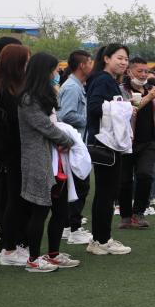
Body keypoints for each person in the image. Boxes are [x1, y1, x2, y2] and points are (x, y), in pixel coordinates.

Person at [17, 53, 78, 272]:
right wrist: (67, 141)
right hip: (38, 160)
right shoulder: (28, 99)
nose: (56, 73)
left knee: (60, 209)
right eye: (53, 69)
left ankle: (53, 253)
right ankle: (33, 258)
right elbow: (45, 126)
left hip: (55, 159)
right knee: (40, 210)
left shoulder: (45, 94)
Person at [85, 44, 133, 256]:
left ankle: (99, 238)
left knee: (105, 193)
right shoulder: (103, 79)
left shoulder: (106, 79)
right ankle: (102, 240)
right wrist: (124, 108)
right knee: (106, 193)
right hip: (105, 142)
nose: (123, 62)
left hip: (107, 141)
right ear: (106, 58)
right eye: (119, 58)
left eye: (126, 59)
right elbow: (94, 107)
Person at [0, 44, 31, 266]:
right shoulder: (4, 93)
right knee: (13, 200)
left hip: (18, 153)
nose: (28, 66)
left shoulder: (14, 90)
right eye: (26, 61)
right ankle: (8, 249)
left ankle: (15, 244)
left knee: (18, 200)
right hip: (11, 154)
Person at [55, 50, 94, 245]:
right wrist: (91, 119)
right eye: (90, 62)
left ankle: (68, 225)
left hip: (75, 143)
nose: (92, 66)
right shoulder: (72, 87)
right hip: (73, 144)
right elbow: (66, 115)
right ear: (82, 65)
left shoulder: (77, 85)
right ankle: (73, 228)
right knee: (80, 186)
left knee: (78, 186)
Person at [118, 57, 155, 229]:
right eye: (139, 71)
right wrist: (148, 97)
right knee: (125, 180)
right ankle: (125, 216)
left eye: (146, 71)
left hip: (148, 141)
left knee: (145, 175)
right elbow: (128, 111)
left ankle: (139, 212)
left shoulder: (152, 90)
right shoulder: (122, 90)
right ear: (129, 72)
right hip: (127, 141)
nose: (143, 75)